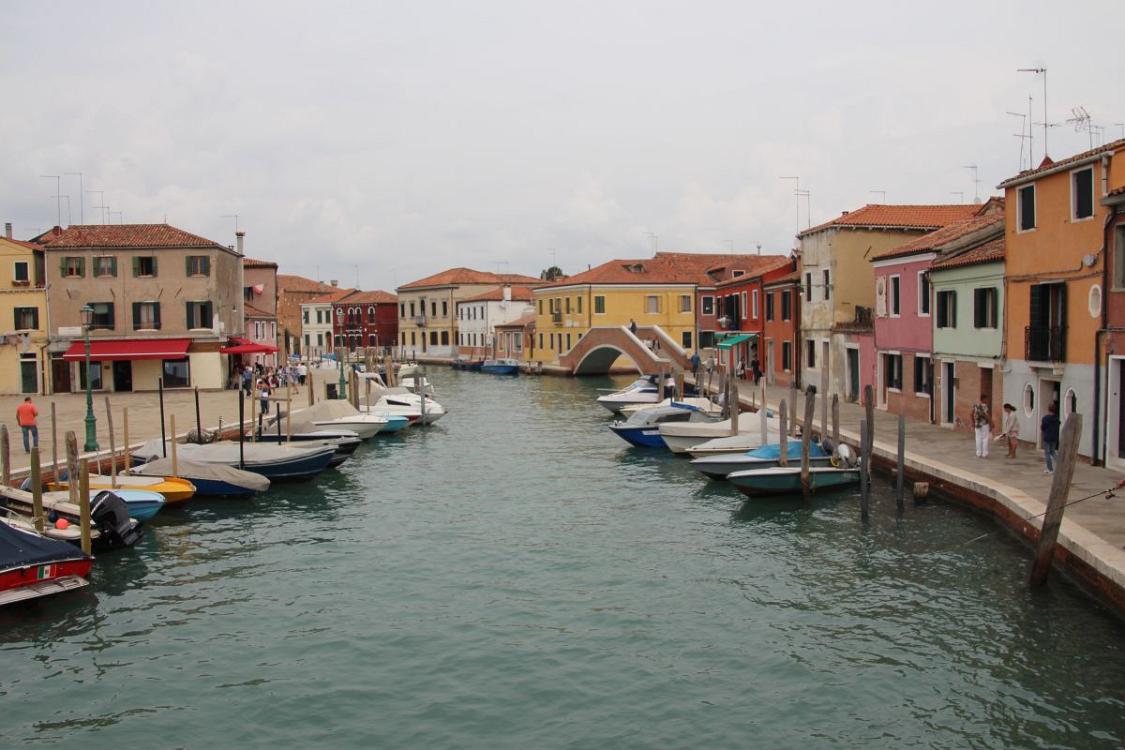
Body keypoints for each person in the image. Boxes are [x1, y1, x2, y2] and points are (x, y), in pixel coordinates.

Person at [1041, 402, 1060, 474]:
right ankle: (1060, 466)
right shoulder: (1057, 419)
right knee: (1053, 452)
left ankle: (1050, 469)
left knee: (1047, 453)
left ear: (1048, 409)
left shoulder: (1045, 418)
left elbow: (1043, 428)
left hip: (1047, 437)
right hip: (1054, 437)